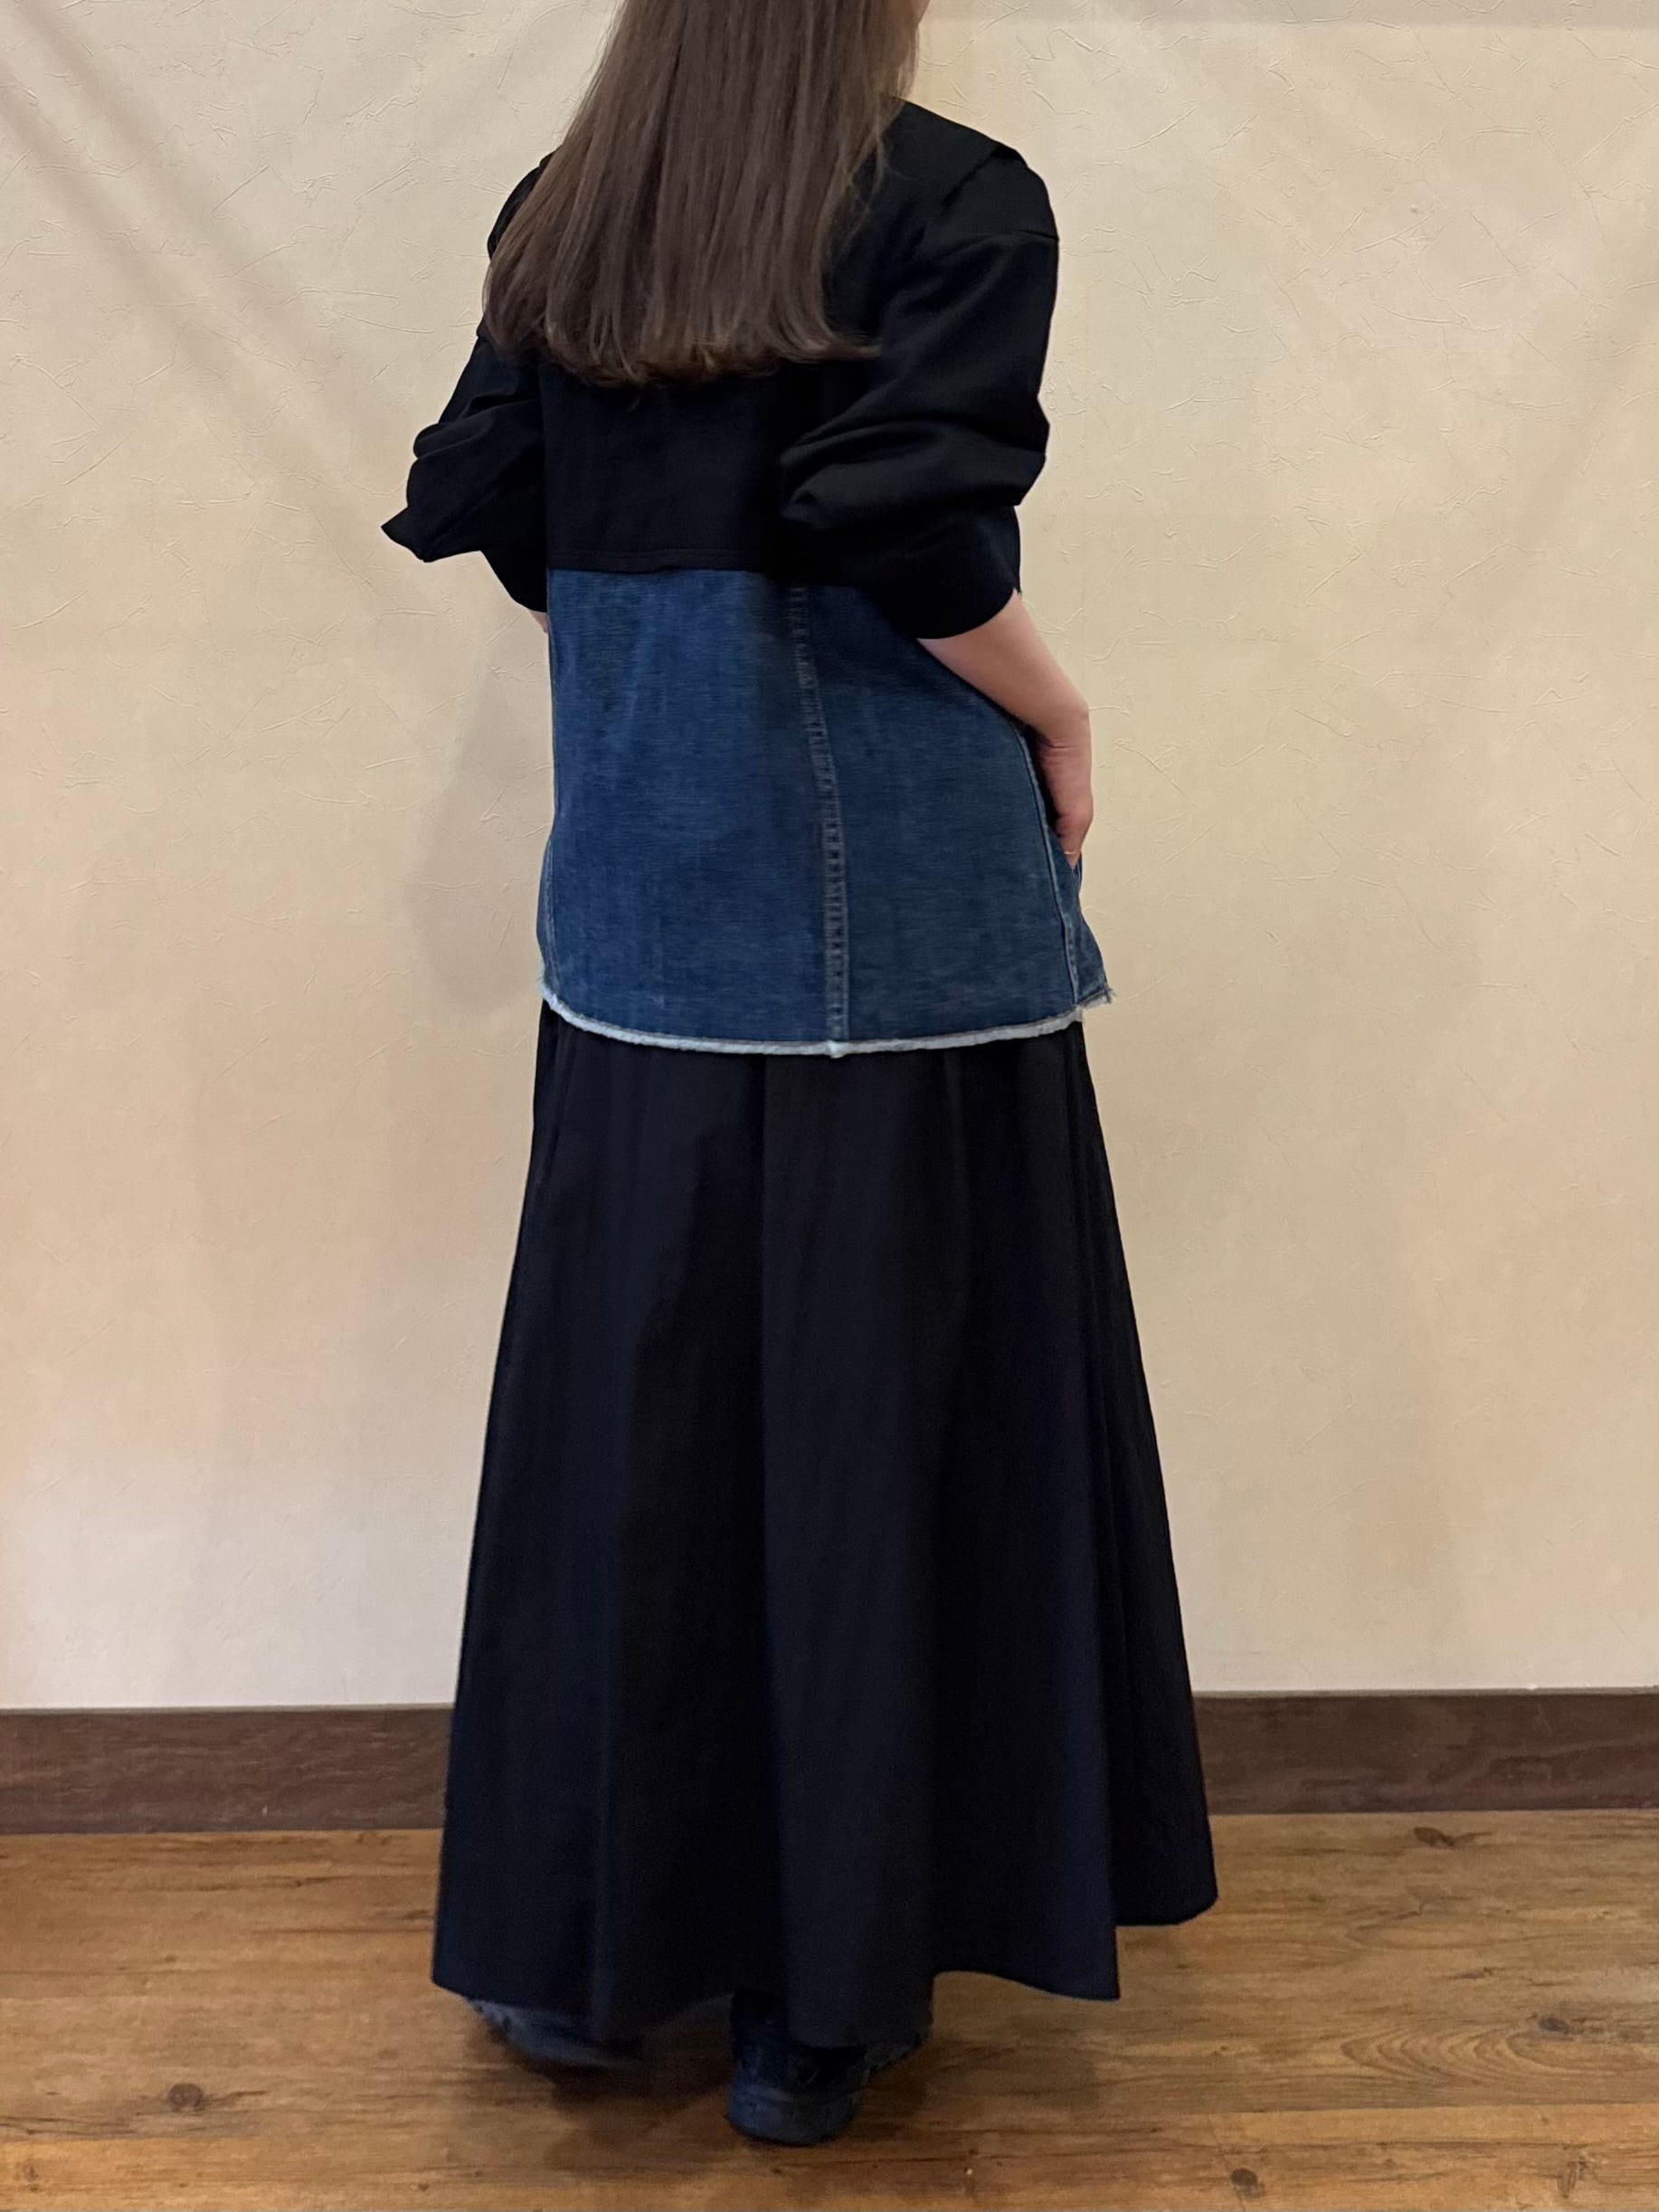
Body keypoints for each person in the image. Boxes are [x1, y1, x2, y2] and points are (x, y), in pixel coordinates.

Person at [382, 0, 1217, 2150]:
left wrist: (674, 670)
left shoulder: (570, 210)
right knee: (867, 1428)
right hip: (893, 925)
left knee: (634, 1425)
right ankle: (816, 2003)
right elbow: (907, 521)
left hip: (643, 906)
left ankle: (587, 1954)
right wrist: (1060, 712)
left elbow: (491, 495)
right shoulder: (953, 201)